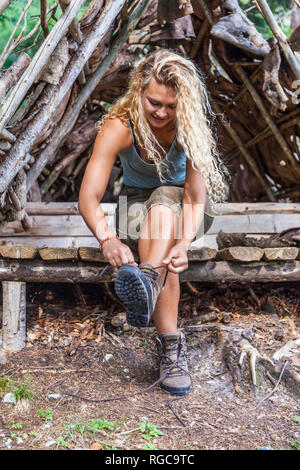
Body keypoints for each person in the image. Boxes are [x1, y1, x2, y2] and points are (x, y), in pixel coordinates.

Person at [78, 50, 225, 396]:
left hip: (183, 206)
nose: (161, 112)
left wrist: (183, 245)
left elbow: (193, 197)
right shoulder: (119, 125)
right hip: (134, 203)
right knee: (158, 241)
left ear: (183, 105)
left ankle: (146, 285)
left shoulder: (189, 127)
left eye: (170, 106)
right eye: (154, 102)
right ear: (139, 93)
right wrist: (107, 239)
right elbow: (89, 196)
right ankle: (170, 344)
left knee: (163, 208)